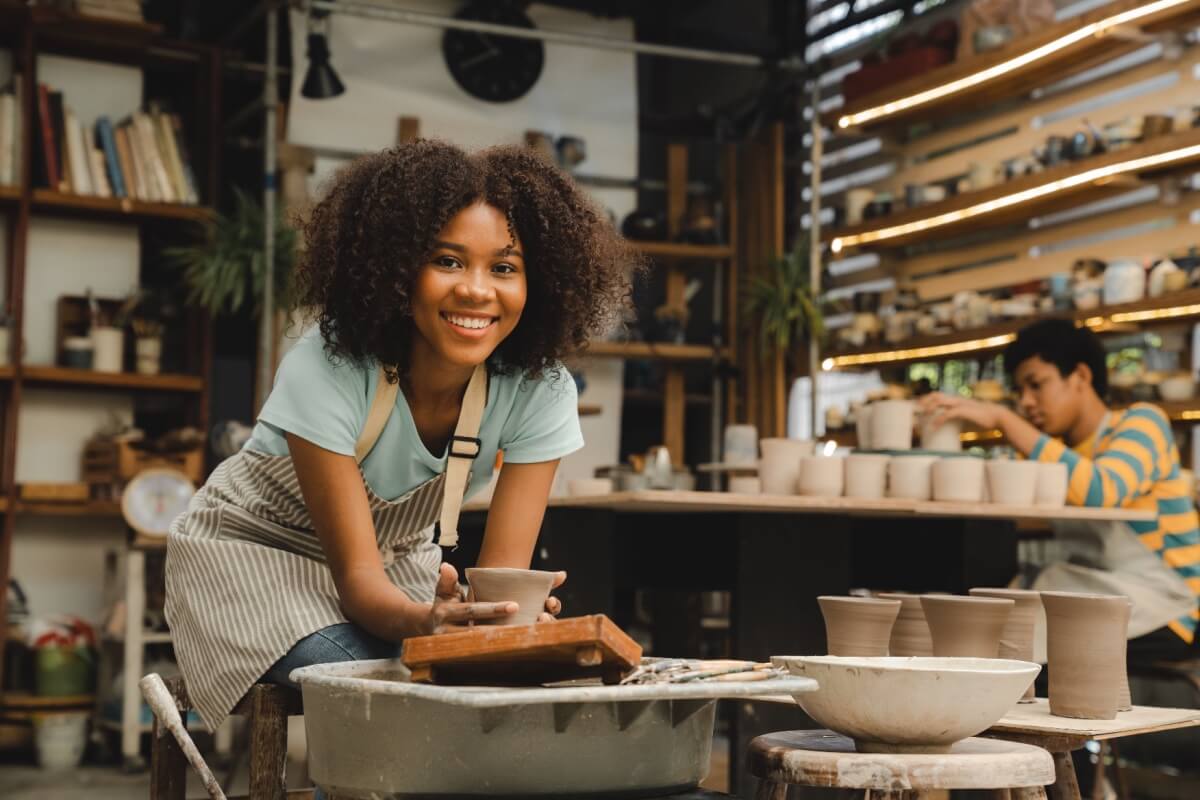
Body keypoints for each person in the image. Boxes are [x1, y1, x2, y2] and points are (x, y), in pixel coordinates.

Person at [164, 140, 636, 730]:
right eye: (447, 261)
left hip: (397, 578)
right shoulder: (329, 365)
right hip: (254, 564)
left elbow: (501, 578)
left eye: (505, 268)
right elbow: (359, 586)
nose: (476, 290)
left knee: (476, 689)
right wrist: (433, 626)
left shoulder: (541, 392)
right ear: (396, 269)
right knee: (396, 698)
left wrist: (499, 620)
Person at [922, 319, 1200, 661]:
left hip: (1168, 605)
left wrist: (1004, 420)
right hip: (1097, 588)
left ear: (1081, 376)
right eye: (1019, 391)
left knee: (1015, 639)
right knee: (989, 615)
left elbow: (1101, 490)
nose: (1026, 402)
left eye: (1036, 385)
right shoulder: (1052, 449)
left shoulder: (1141, 422)